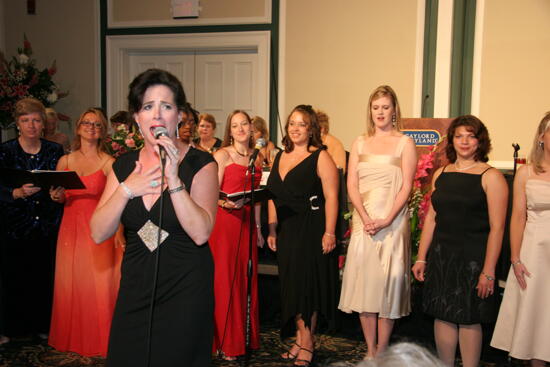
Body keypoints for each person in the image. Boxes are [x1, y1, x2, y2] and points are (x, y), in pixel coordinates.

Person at [90, 68, 218, 367]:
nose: (157, 114)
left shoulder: (201, 164)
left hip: (185, 287)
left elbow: (201, 233)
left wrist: (174, 179)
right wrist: (125, 191)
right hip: (136, 285)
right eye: (148, 106)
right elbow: (97, 232)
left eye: (167, 106)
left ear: (180, 116)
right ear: (137, 117)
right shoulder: (123, 166)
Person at [412, 115, 508, 367]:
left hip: (474, 259)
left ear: (480, 141)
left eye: (471, 136)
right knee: (442, 314)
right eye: (459, 136)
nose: (464, 141)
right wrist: (422, 256)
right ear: (452, 141)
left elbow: (498, 229)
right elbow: (432, 218)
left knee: (468, 317)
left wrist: (488, 271)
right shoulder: (441, 174)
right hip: (442, 256)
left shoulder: (491, 176)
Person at [338, 85, 417, 359]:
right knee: (365, 287)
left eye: (385, 107)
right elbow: (351, 184)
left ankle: (382, 350)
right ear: (369, 111)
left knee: (387, 289)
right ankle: (370, 350)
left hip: (392, 223)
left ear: (394, 110)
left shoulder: (405, 143)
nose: (380, 112)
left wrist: (386, 219)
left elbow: (406, 186)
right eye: (375, 107)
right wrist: (365, 217)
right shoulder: (360, 142)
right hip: (364, 222)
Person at [267, 104, 339, 367]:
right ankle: (299, 338)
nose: (295, 129)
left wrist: (330, 231)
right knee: (291, 287)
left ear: (311, 130)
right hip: (286, 230)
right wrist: (272, 228)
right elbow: (272, 196)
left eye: (302, 124)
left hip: (312, 227)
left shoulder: (320, 156)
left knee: (307, 287)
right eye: (292, 124)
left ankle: (308, 343)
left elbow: (332, 196)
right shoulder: (279, 156)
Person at [48, 108, 122, 357]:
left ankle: (100, 339)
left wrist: (119, 232)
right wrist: (56, 196)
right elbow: (60, 195)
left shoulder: (108, 163)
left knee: (98, 285)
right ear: (78, 128)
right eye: (87, 123)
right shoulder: (65, 161)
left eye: (97, 125)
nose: (91, 128)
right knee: (71, 283)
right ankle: (71, 338)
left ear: (103, 131)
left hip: (98, 228)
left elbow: (117, 200)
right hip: (70, 229)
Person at [0, 98, 64, 339]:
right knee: (14, 277)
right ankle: (13, 329)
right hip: (14, 225)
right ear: (17, 124)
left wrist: (59, 194)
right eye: (26, 120)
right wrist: (15, 193)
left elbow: (61, 182)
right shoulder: (5, 151)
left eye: (36, 120)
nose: (32, 125)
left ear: (43, 123)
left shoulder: (54, 150)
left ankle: (43, 326)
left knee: (44, 277)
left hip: (48, 224)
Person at [490, 112, 550, 366]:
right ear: (542, 136)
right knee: (535, 320)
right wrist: (515, 258)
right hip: (534, 255)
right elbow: (517, 218)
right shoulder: (526, 173)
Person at [210, 110, 264, 360]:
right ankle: (224, 341)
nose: (240, 128)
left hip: (245, 224)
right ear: (229, 131)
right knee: (225, 281)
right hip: (224, 224)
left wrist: (258, 228)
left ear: (251, 127)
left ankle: (243, 338)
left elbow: (258, 197)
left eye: (244, 124)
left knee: (245, 280)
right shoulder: (222, 155)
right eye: (235, 125)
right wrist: (224, 205)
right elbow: (210, 193)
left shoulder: (257, 156)